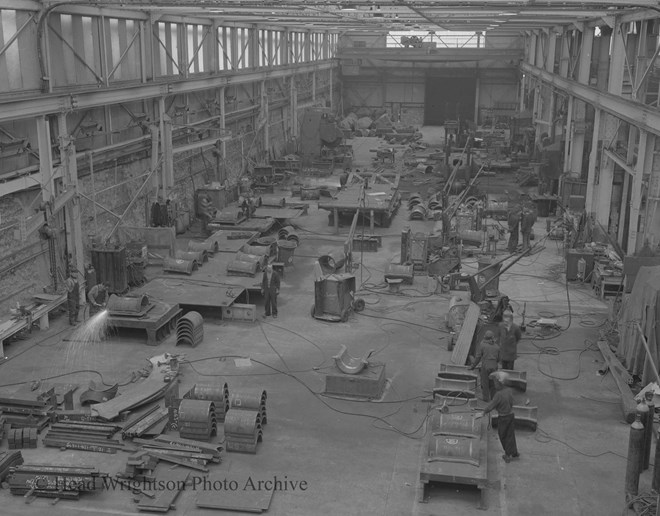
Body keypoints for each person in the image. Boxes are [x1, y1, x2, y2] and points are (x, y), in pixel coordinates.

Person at [477, 372, 519, 463]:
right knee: (510, 435)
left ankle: (508, 455)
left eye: (496, 382)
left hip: (503, 418)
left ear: (500, 383)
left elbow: (491, 405)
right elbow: (512, 402)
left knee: (503, 436)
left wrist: (484, 412)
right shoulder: (509, 391)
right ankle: (514, 452)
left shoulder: (498, 395)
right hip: (511, 415)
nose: (495, 385)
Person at [470, 330, 501, 402]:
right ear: (492, 338)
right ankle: (493, 398)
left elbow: (478, 357)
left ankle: (486, 399)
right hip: (494, 366)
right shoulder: (497, 347)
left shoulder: (482, 345)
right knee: (493, 382)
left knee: (485, 382)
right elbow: (499, 359)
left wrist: (473, 366)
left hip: (485, 366)